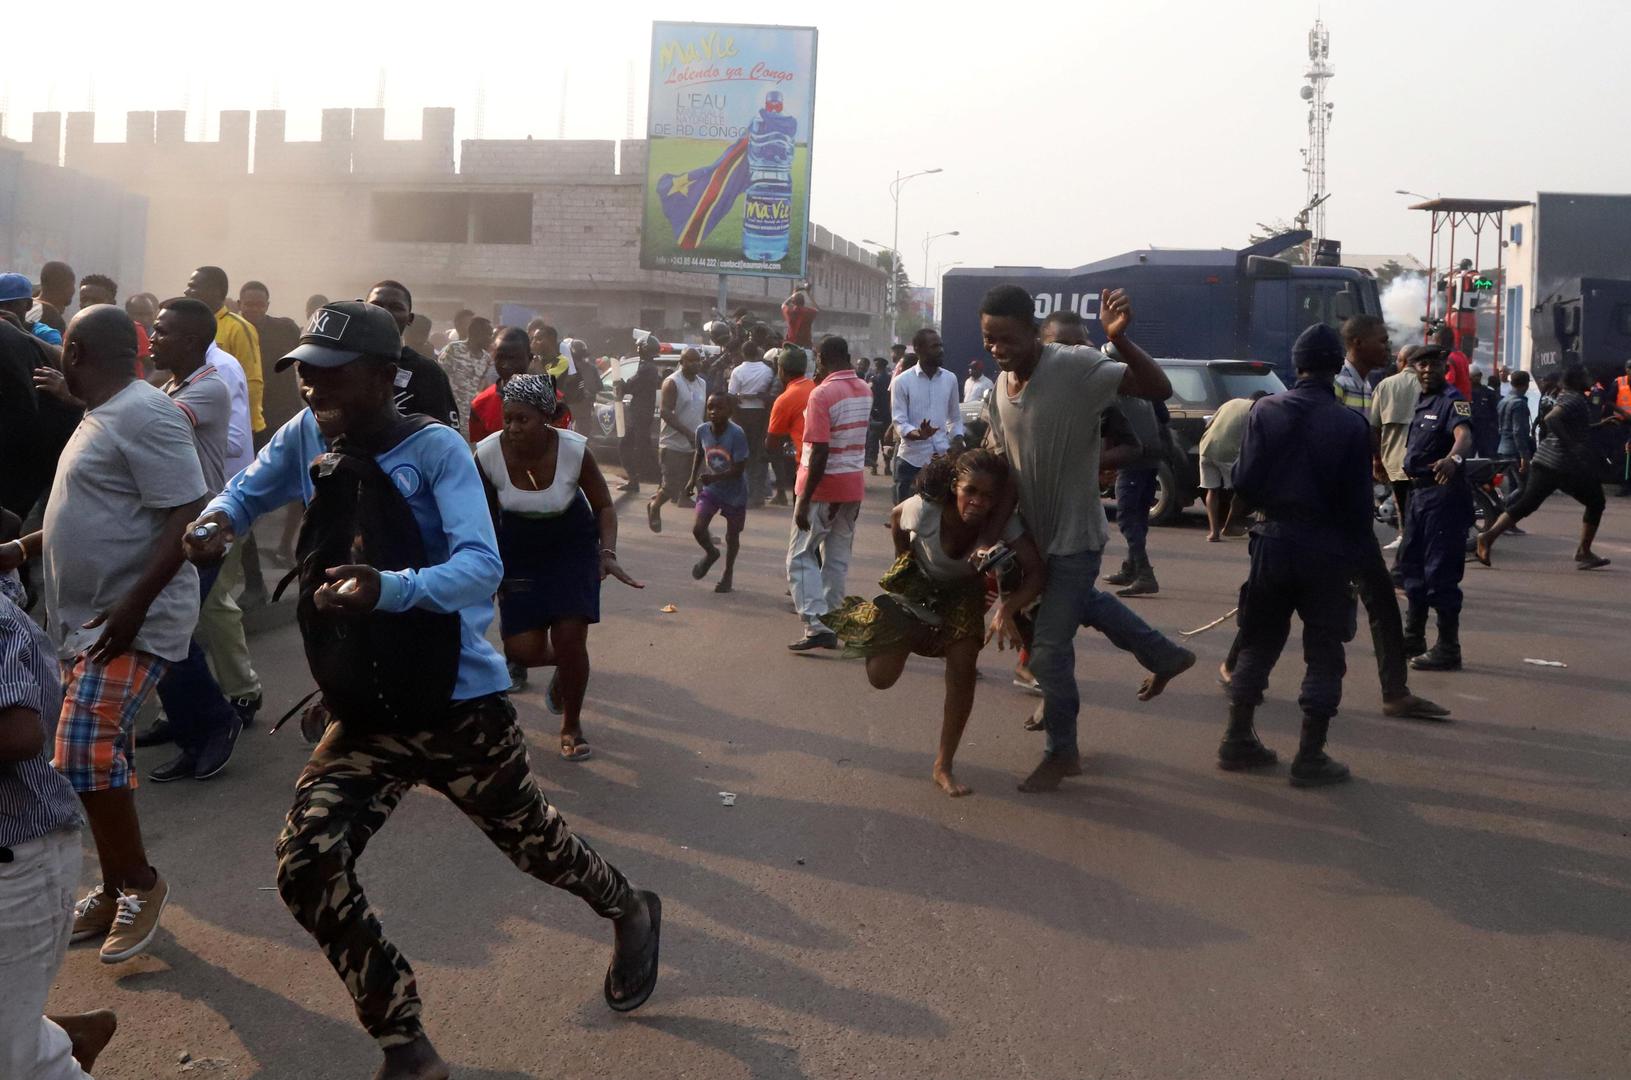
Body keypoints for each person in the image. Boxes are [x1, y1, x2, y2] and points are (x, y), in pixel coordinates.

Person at [184, 304, 660, 1080]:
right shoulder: (309, 432)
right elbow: (247, 489)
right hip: (363, 703)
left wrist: (388, 589)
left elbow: (481, 567)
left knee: (536, 846)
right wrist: (214, 520)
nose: (310, 387)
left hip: (453, 703)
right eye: (304, 371)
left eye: (329, 373)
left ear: (383, 376)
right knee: (306, 864)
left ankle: (628, 906)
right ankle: (406, 1044)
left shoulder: (437, 450)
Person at [0, 305, 210, 963]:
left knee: (83, 752)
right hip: (90, 621)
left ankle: (140, 884)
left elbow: (189, 509)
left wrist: (131, 609)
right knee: (91, 756)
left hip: (129, 623)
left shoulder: (145, 412)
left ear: (77, 350)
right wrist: (23, 549)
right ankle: (118, 882)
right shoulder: (108, 415)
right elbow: (100, 510)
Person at [976, 284, 1195, 793]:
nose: (997, 348)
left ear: (1033, 331)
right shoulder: (999, 388)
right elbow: (1008, 471)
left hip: (1075, 536)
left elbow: (1157, 389)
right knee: (1086, 605)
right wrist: (988, 536)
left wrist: (1120, 341)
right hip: (1032, 539)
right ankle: (1163, 655)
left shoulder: (1073, 365)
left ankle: (1062, 752)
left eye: (1007, 338)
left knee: (1050, 650)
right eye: (989, 338)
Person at [830, 451, 1044, 797]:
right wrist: (904, 561)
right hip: (919, 587)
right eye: (970, 491)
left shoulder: (1001, 524)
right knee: (881, 677)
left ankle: (943, 765)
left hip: (963, 595)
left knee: (963, 669)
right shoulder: (926, 509)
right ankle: (881, 624)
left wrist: (1007, 608)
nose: (977, 502)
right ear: (953, 487)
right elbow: (896, 516)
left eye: (988, 496)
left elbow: (1035, 572)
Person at [1219, 323, 1371, 787]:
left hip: (1272, 542)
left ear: (1298, 364)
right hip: (1326, 550)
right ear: (1334, 367)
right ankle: (1310, 756)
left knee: (1258, 642)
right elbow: (1360, 509)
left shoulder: (1265, 410)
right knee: (1324, 653)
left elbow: (1242, 482)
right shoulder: (1350, 423)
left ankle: (1237, 739)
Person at [472, 372, 643, 759]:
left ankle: (572, 725)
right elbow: (483, 517)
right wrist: (486, 565)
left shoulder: (573, 450)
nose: (513, 427)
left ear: (545, 418)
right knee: (523, 650)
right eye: (508, 418)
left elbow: (603, 506)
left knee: (570, 636)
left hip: (572, 547)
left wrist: (608, 553)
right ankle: (567, 668)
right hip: (518, 551)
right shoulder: (486, 454)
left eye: (523, 419)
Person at [0, 561, 120, 1080]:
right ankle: (56, 1039)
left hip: (17, 862)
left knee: (13, 1059)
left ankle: (50, 1047)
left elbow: (18, 732)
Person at [136, 297, 252, 783]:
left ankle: (216, 720)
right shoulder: (174, 384)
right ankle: (191, 727)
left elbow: (146, 424)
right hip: (172, 526)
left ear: (188, 340)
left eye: (160, 331)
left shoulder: (210, 387)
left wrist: (82, 393)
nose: (152, 339)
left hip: (198, 529)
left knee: (171, 634)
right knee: (166, 632)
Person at [1477, 363, 1611, 571]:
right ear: (1576, 380)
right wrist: (1572, 445)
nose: (1590, 378)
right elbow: (1552, 419)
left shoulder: (1568, 396)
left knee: (1527, 504)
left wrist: (1598, 426)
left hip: (1553, 463)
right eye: (1585, 374)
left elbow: (1571, 426)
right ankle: (1584, 551)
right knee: (1595, 501)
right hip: (1559, 464)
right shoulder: (1573, 398)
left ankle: (1488, 537)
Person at [788, 336, 873, 650]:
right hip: (852, 484)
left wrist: (805, 499)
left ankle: (814, 622)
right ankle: (832, 619)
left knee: (800, 556)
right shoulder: (865, 389)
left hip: (823, 486)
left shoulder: (821, 394)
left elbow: (820, 451)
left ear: (821, 358)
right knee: (837, 558)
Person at [1396, 347, 1476, 671]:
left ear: (1445, 367)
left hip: (1443, 496)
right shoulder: (1422, 401)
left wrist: (1453, 458)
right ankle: (1413, 637)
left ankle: (1447, 647)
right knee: (1411, 566)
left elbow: (1464, 435)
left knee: (1440, 571)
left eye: (1434, 364)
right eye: (1422, 363)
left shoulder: (1451, 399)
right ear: (1414, 368)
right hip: (1418, 497)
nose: (1428, 369)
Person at [367, 280, 460, 429]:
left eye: (395, 307)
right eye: (377, 306)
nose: (385, 312)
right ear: (364, 310)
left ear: (410, 319)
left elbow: (445, 435)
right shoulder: (345, 362)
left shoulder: (428, 372)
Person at [185, 266, 264, 436]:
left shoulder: (239, 328)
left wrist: (242, 423)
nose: (186, 292)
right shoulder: (192, 325)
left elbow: (252, 381)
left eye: (193, 287)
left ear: (215, 291)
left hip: (235, 428)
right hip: (201, 422)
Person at [890, 327, 964, 505]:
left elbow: (954, 417)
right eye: (934, 346)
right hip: (911, 461)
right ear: (918, 349)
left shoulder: (950, 379)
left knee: (938, 522)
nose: (940, 350)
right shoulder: (902, 381)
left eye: (941, 345)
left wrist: (958, 439)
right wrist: (918, 434)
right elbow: (899, 422)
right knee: (906, 522)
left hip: (941, 461)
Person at [688, 391, 751, 593]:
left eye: (719, 407)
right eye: (710, 407)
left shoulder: (737, 434)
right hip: (712, 489)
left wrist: (714, 477)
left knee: (732, 536)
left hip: (735, 493)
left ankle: (728, 573)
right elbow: (699, 453)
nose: (714, 412)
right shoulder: (702, 430)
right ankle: (711, 553)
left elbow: (739, 468)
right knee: (698, 528)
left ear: (729, 411)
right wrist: (691, 480)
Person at [648, 346, 708, 532]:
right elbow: (666, 412)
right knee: (671, 488)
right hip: (673, 443)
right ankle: (654, 506)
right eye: (690, 360)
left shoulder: (702, 383)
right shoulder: (672, 383)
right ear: (681, 362)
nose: (695, 364)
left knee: (704, 486)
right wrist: (688, 433)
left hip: (696, 445)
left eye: (698, 360)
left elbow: (701, 412)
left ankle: (703, 529)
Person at [1371, 345, 1424, 551]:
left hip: (1394, 462)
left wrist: (1376, 460)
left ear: (1401, 362)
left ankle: (1405, 538)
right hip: (1424, 463)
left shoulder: (1385, 386)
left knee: (1403, 506)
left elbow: (1373, 427)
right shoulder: (1429, 386)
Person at [239, 280, 304, 433]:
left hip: (285, 414)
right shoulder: (233, 333)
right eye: (249, 304)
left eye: (260, 305)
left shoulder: (286, 329)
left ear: (267, 305)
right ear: (239, 304)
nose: (255, 309)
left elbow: (305, 361)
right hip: (249, 417)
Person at [1198, 392, 1263, 541]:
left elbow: (1209, 423)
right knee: (1241, 489)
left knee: (1212, 490)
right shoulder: (1255, 408)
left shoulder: (1230, 403)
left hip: (1206, 447)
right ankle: (1229, 526)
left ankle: (1214, 533)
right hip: (1227, 452)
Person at [765, 345, 816, 508]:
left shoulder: (785, 399)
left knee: (803, 525)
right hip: (823, 462)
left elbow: (772, 442)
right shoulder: (815, 388)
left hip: (806, 465)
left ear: (782, 369)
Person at [467, 327, 535, 444]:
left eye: (514, 358)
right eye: (500, 357)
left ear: (529, 358)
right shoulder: (480, 405)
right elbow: (479, 451)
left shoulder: (554, 401)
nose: (506, 364)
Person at [727, 340, 776, 503]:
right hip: (761, 416)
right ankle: (758, 494)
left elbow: (732, 396)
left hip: (741, 415)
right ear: (757, 353)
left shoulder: (737, 371)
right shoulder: (768, 371)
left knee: (741, 455)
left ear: (743, 354)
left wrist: (735, 417)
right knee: (758, 454)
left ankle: (743, 492)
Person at [615, 331, 664, 493]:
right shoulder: (648, 367)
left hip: (640, 415)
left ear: (643, 348)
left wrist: (619, 380)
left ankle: (663, 484)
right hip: (642, 414)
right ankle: (636, 481)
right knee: (637, 448)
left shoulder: (646, 369)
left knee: (640, 450)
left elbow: (629, 386)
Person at [438, 315, 496, 435]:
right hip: (448, 415)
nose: (491, 339)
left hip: (470, 420)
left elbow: (481, 388)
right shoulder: (453, 349)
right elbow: (438, 377)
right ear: (476, 334)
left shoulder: (486, 359)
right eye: (488, 335)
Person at [1497, 369, 1535, 500]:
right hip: (1515, 450)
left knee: (1513, 485)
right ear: (1525, 385)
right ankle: (1505, 510)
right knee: (1523, 487)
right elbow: (1518, 431)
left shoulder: (1504, 401)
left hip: (1503, 447)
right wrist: (1524, 456)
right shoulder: (1519, 404)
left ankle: (1509, 513)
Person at [0, 272, 64, 345]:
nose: (3, 310)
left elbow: (58, 353)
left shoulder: (45, 335)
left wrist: (21, 332)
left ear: (28, 305)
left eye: (11, 304)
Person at [30, 261, 75, 337]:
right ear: (67, 287)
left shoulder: (24, 306)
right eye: (73, 284)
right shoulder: (51, 317)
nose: (73, 290)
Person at [867, 355, 892, 475]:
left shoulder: (873, 379)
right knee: (886, 442)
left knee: (873, 442)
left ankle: (874, 466)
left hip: (875, 414)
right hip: (887, 414)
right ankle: (887, 466)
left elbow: (869, 394)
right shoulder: (890, 378)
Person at [1435, 325, 1473, 400]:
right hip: (1465, 400)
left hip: (1453, 401)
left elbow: (1449, 380)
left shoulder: (1448, 358)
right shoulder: (1462, 356)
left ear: (1440, 341)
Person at [782, 281, 818, 348]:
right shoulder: (808, 312)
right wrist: (808, 293)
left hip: (790, 345)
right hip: (805, 345)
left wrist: (793, 294)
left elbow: (783, 305)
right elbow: (816, 308)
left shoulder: (790, 311)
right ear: (803, 302)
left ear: (793, 302)